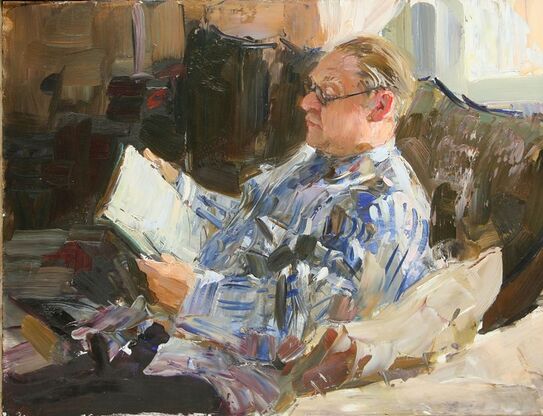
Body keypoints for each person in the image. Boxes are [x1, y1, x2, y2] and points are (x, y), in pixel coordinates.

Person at [75, 35, 436, 413]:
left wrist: (196, 295)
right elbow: (251, 217)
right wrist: (181, 187)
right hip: (193, 340)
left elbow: (316, 324)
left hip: (248, 378)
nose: (306, 102)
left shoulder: (387, 208)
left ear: (379, 106)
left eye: (326, 94)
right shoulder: (314, 162)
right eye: (311, 88)